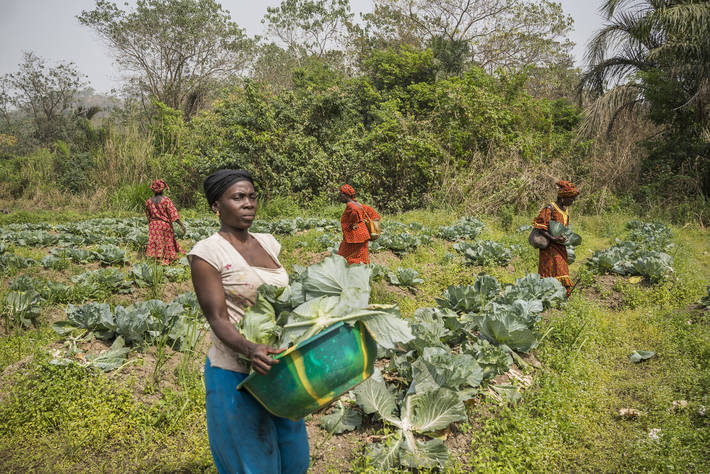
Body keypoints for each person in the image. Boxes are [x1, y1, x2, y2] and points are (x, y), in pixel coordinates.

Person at [188, 169, 309, 474]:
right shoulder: (207, 253)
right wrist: (249, 348)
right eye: (238, 197)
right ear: (217, 205)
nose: (248, 204)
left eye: (252, 196)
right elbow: (217, 318)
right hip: (236, 372)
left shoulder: (268, 243)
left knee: (294, 456)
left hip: (279, 368)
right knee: (253, 461)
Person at [532, 180, 580, 296]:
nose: (573, 201)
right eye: (571, 199)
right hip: (550, 247)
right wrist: (553, 238)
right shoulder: (550, 208)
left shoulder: (565, 210)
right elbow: (541, 227)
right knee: (549, 270)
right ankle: (548, 295)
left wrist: (567, 238)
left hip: (561, 246)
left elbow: (564, 228)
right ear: (563, 197)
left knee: (562, 269)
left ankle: (562, 295)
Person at [337, 184, 381, 265]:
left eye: (341, 194)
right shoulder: (357, 204)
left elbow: (355, 214)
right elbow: (372, 213)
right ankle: (361, 273)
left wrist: (354, 223)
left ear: (346, 195)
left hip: (355, 238)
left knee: (343, 257)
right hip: (363, 236)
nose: (339, 196)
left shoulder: (352, 206)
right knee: (361, 257)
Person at [145, 179, 186, 264]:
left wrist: (152, 224)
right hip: (164, 225)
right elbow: (173, 214)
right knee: (166, 241)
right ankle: (167, 258)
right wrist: (181, 225)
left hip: (154, 225)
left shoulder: (148, 202)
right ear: (162, 189)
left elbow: (148, 216)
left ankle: (156, 257)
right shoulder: (166, 200)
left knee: (156, 241)